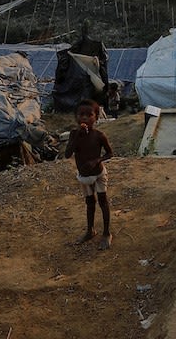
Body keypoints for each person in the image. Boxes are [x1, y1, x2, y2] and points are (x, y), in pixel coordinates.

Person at [64, 99, 114, 249]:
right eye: (81, 115)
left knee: (103, 202)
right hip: (84, 177)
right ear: (76, 117)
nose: (84, 118)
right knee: (89, 203)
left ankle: (106, 233)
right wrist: (76, 137)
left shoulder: (99, 136)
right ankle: (90, 230)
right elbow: (67, 154)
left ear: (96, 117)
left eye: (89, 115)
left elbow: (110, 153)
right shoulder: (74, 134)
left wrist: (97, 160)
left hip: (98, 174)